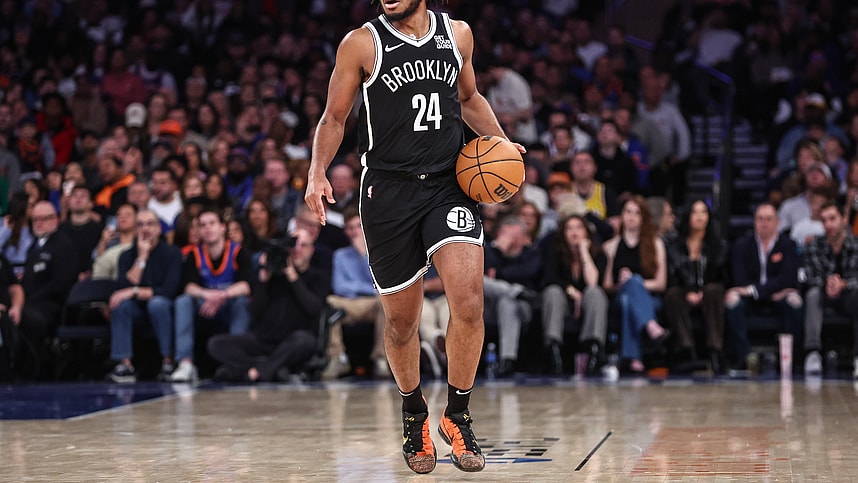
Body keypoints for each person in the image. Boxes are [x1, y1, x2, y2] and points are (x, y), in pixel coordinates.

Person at [304, 0, 524, 473]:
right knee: (402, 323)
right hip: (388, 194)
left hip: (449, 185)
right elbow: (334, 118)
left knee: (468, 303)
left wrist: (501, 141)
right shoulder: (361, 42)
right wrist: (317, 171)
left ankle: (458, 415)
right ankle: (413, 413)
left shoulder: (458, 34)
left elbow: (469, 99)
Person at [208, 229, 329, 383]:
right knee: (216, 344)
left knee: (305, 341)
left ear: (311, 250)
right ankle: (272, 369)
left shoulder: (318, 277)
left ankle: (254, 372)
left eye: (303, 246)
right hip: (264, 339)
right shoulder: (272, 276)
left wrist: (293, 277)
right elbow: (254, 311)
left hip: (293, 341)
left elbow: (313, 308)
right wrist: (263, 281)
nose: (297, 250)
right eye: (293, 246)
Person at [170, 208, 253, 382]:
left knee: (242, 302)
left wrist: (222, 295)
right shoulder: (194, 254)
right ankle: (185, 363)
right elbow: (188, 287)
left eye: (212, 223)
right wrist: (207, 294)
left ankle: (234, 361)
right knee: (183, 301)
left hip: (228, 305)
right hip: (205, 305)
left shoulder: (238, 252)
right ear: (198, 231)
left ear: (223, 227)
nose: (208, 228)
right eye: (203, 225)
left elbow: (247, 285)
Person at [105, 210, 183, 383]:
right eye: (140, 225)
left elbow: (169, 290)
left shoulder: (172, 253)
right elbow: (124, 287)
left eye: (150, 224)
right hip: (137, 309)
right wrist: (142, 257)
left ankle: (168, 362)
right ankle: (125, 365)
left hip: (164, 308)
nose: (145, 228)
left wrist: (134, 292)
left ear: (159, 229)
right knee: (121, 305)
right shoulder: (127, 255)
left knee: (157, 303)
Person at [602, 196, 669, 374]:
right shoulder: (611, 246)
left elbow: (661, 283)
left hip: (650, 298)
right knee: (625, 294)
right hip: (618, 295)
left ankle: (633, 358)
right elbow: (607, 285)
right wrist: (624, 283)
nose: (631, 217)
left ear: (643, 217)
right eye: (627, 212)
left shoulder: (656, 243)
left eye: (636, 213)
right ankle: (650, 325)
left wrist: (635, 282)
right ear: (622, 215)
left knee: (629, 298)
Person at [323, 207, 389, 380]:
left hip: (374, 304)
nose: (354, 232)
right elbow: (339, 287)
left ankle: (381, 359)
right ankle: (337, 357)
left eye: (358, 226)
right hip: (352, 305)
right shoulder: (340, 255)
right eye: (350, 228)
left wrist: (364, 256)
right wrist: (366, 288)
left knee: (385, 300)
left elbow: (381, 284)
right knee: (331, 301)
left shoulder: (379, 252)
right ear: (345, 230)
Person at [540, 214, 609, 375]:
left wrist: (584, 252)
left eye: (579, 228)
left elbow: (593, 282)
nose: (574, 232)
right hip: (563, 303)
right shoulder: (555, 251)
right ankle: (553, 349)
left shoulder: (599, 254)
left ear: (587, 232)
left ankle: (593, 349)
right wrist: (572, 292)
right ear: (563, 233)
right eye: (569, 228)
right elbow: (548, 278)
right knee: (552, 292)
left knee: (595, 293)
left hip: (589, 305)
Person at [664, 200, 728, 371]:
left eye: (703, 212)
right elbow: (672, 276)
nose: (699, 216)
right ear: (688, 216)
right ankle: (687, 350)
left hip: (709, 293)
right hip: (684, 294)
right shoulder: (675, 246)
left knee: (713, 290)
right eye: (695, 212)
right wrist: (688, 291)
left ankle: (715, 349)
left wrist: (701, 292)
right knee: (672, 295)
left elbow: (722, 276)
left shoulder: (718, 245)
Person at [17, 201, 78, 378]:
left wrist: (29, 300)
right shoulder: (35, 246)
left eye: (43, 219)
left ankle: (33, 372)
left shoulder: (63, 245)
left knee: (28, 320)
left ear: (55, 219)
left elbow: (61, 284)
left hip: (50, 307)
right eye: (35, 219)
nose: (38, 223)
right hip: (30, 303)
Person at [801, 201, 858, 377]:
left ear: (844, 219)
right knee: (812, 294)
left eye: (832, 219)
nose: (828, 225)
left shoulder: (856, 245)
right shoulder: (814, 245)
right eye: (824, 220)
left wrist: (845, 284)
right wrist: (828, 282)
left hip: (850, 295)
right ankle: (812, 352)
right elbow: (809, 276)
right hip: (823, 294)